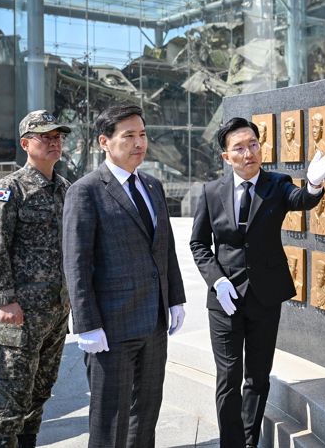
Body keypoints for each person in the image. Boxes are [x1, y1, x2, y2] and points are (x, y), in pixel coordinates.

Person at [190, 117, 325, 448]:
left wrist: (313, 186)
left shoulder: (277, 184)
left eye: (253, 144)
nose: (248, 152)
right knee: (228, 378)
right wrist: (217, 280)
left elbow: (300, 200)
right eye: (239, 147)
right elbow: (198, 243)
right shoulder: (212, 192)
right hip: (224, 300)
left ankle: (249, 442)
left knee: (256, 376)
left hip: (265, 297)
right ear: (226, 157)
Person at [62, 104, 187, 447]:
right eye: (128, 136)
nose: (139, 143)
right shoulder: (86, 191)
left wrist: (174, 299)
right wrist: (87, 323)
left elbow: (165, 249)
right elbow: (76, 263)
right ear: (105, 141)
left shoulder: (152, 186)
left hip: (153, 324)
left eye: (142, 135)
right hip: (111, 328)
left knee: (146, 414)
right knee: (110, 419)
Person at [0, 110, 71, 448]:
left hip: (56, 312)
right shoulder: (9, 190)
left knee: (41, 392)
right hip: (21, 314)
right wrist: (5, 299)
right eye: (45, 137)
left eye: (58, 136)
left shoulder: (64, 189)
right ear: (25, 144)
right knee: (14, 398)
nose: (54, 141)